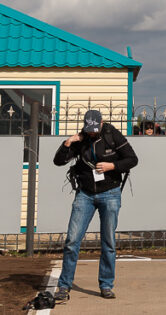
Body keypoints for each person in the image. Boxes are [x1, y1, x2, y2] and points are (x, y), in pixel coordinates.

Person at [52, 109, 138, 303]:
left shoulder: (111, 134)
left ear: (101, 124)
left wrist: (112, 166)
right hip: (85, 194)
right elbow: (58, 161)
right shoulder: (80, 138)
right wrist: (67, 143)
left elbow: (132, 159)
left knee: (108, 242)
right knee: (72, 240)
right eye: (88, 129)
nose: (91, 133)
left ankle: (106, 285)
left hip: (110, 193)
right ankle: (64, 286)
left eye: (94, 129)